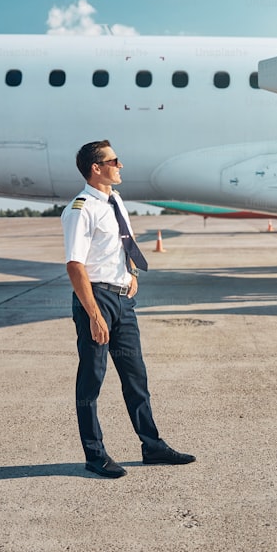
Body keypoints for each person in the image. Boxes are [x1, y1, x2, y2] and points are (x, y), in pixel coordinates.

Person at [61, 139, 195, 478]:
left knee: (136, 378)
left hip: (123, 299)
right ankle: (94, 454)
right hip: (97, 300)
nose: (120, 166)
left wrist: (132, 273)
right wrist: (93, 315)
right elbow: (75, 265)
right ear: (96, 168)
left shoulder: (115, 201)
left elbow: (123, 243)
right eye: (114, 161)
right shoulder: (81, 208)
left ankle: (152, 446)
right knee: (91, 380)